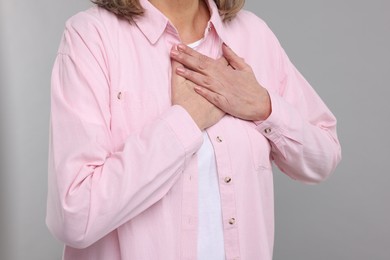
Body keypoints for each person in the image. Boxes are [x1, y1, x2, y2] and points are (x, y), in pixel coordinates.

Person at [46, 0, 341, 259]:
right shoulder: (91, 36)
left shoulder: (253, 34)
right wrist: (185, 122)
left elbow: (322, 158)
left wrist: (263, 106)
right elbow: (75, 215)